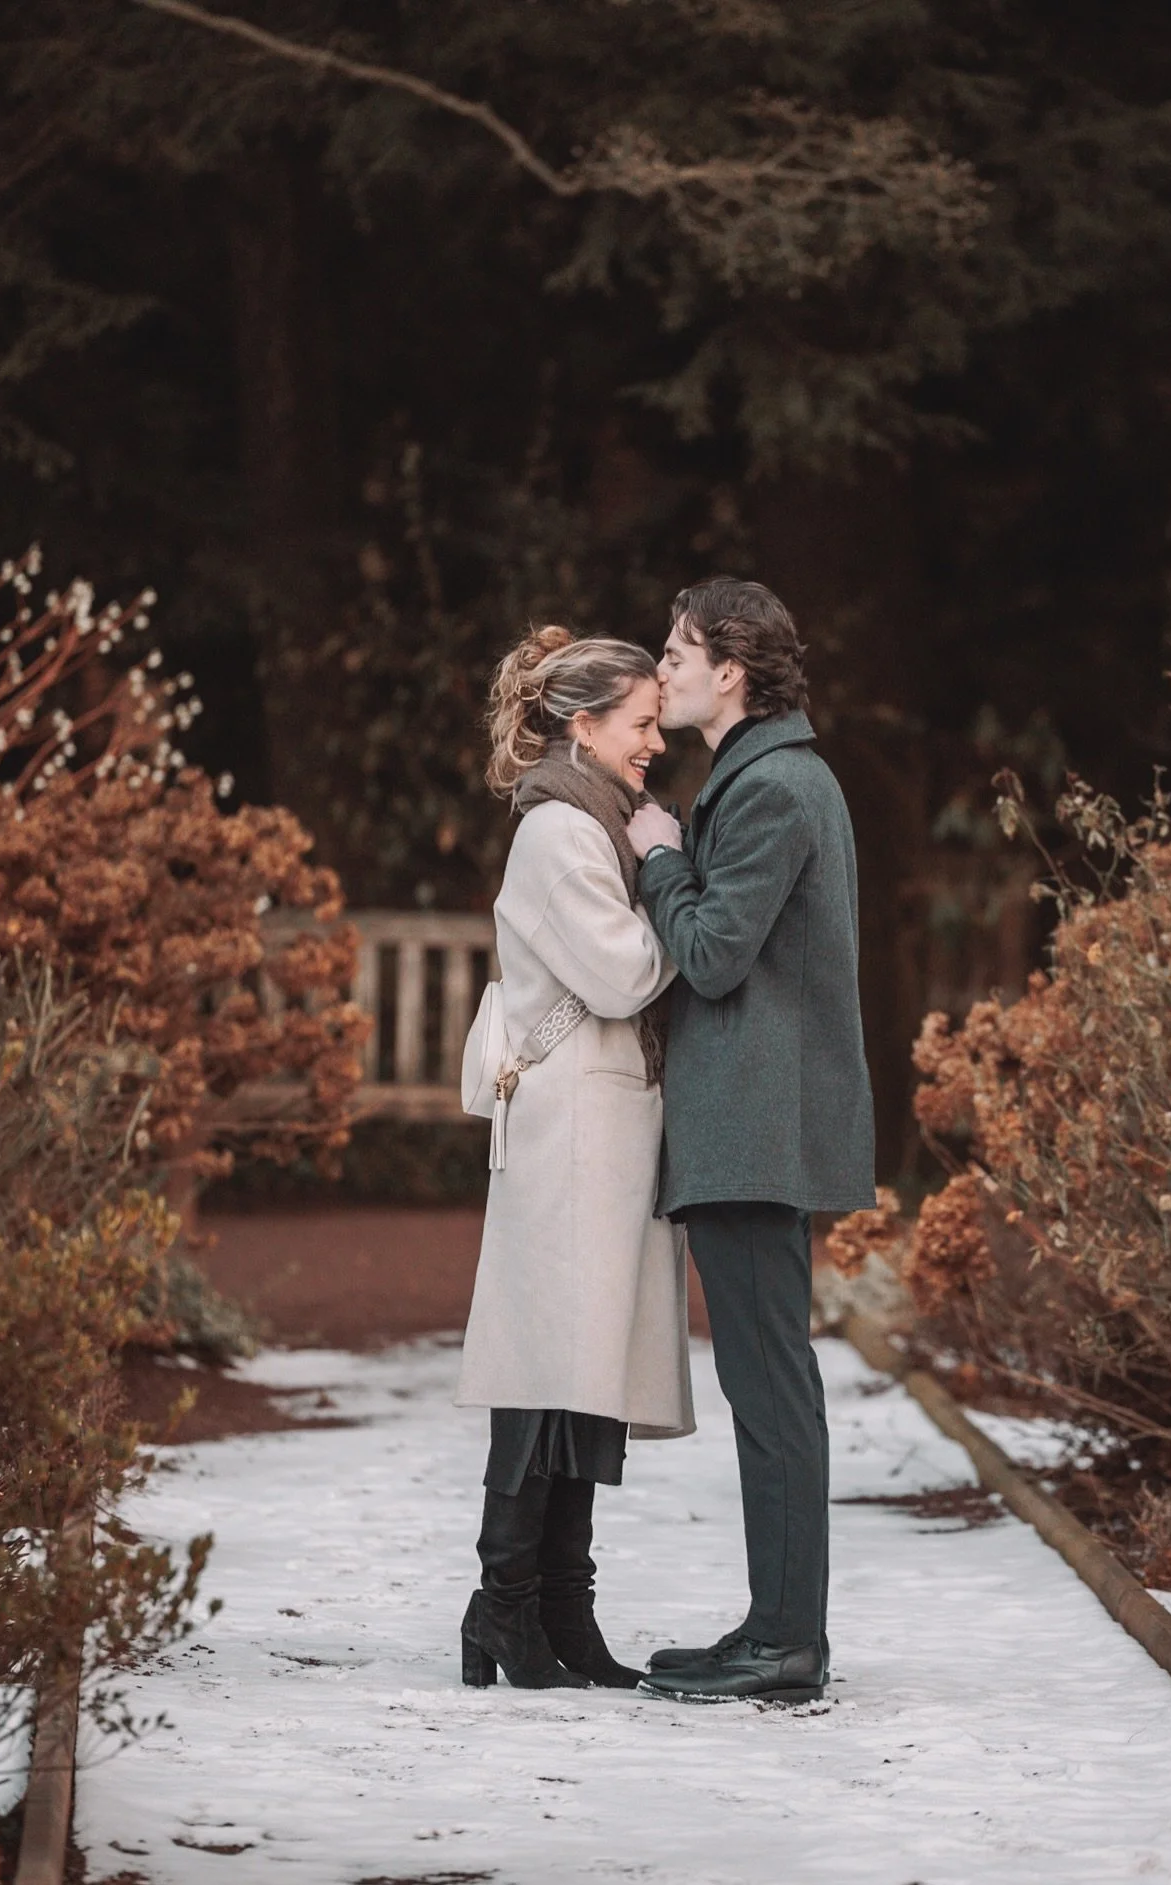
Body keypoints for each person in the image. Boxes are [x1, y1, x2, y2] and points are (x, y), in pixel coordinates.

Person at [627, 577, 876, 1705]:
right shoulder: (767, 774)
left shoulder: (773, 785)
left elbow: (715, 953)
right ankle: (777, 1627)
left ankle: (784, 1643)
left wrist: (658, 853)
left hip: (754, 1127)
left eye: (677, 653)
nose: (662, 669)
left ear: (731, 671)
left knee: (770, 1386)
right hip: (752, 1125)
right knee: (770, 1382)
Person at [455, 625, 695, 1692]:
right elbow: (626, 972)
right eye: (640, 723)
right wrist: (671, 873)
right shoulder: (560, 830)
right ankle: (504, 1604)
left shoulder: (594, 819)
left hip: (600, 1125)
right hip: (570, 1130)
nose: (655, 742)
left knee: (583, 1367)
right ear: (584, 725)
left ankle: (558, 1607)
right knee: (545, 1365)